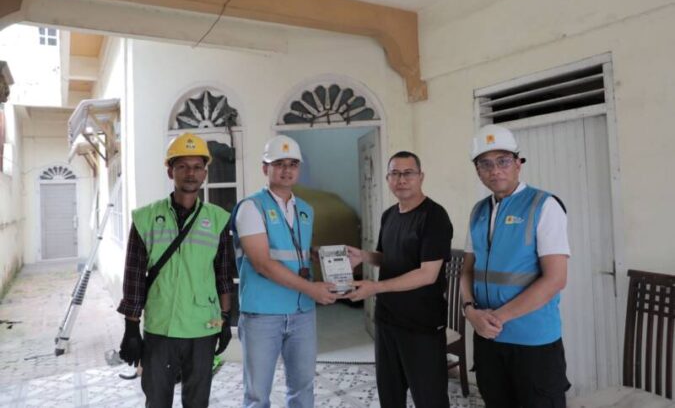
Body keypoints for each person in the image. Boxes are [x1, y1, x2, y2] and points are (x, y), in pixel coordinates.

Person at [117, 132, 234, 407]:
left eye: (197, 167)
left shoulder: (218, 219)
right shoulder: (146, 218)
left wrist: (225, 319)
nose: (190, 173)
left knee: (197, 401)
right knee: (157, 401)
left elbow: (224, 276)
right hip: (161, 329)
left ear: (205, 173)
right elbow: (134, 278)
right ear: (170, 171)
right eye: (182, 166)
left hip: (203, 328)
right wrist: (131, 328)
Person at [460, 124, 571, 408]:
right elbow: (467, 270)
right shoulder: (478, 211)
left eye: (503, 161)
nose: (495, 170)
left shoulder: (544, 205)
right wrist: (470, 311)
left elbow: (556, 279)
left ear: (518, 163)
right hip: (488, 341)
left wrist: (495, 319)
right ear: (477, 170)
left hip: (533, 342)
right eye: (485, 164)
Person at [231, 135, 337, 408]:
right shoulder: (251, 207)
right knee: (257, 395)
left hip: (302, 312)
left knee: (303, 389)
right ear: (265, 168)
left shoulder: (305, 210)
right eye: (279, 163)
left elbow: (295, 251)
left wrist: (326, 256)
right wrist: (312, 289)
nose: (287, 170)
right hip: (263, 314)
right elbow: (262, 263)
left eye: (293, 164)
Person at [346, 151, 453, 408]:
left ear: (421, 177)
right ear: (387, 179)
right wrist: (364, 256)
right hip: (387, 321)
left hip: (421, 325)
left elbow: (428, 274)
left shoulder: (434, 216)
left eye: (408, 173)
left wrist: (375, 287)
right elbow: (388, 258)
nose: (401, 179)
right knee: (390, 395)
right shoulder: (389, 215)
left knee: (430, 399)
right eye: (395, 173)